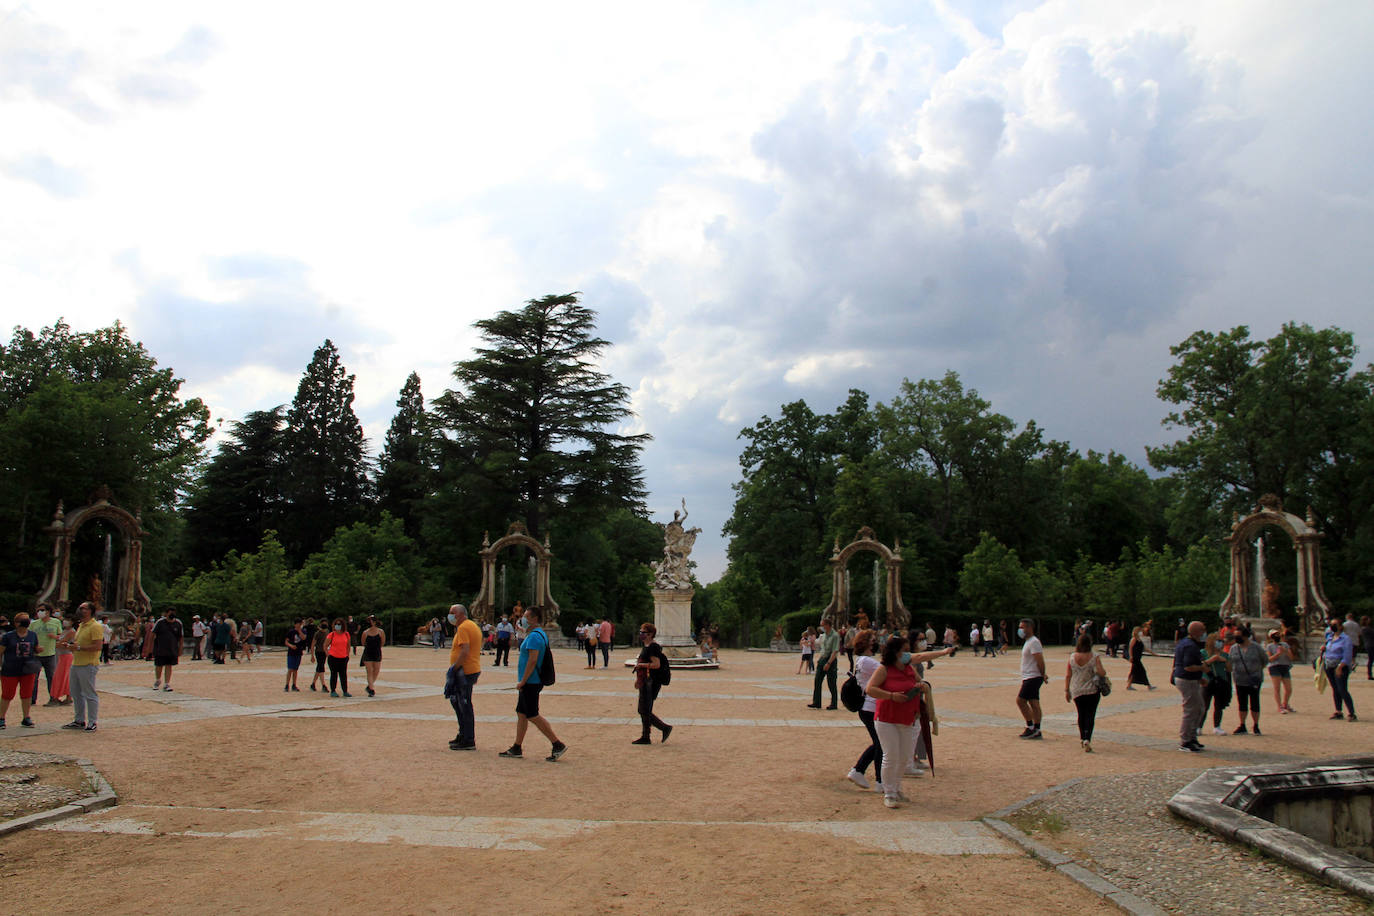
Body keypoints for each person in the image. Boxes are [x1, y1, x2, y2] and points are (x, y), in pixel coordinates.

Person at [863, 634, 947, 809]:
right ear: (895, 652)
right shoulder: (884, 669)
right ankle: (889, 793)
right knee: (890, 755)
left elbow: (919, 682)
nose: (908, 654)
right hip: (886, 717)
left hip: (908, 716)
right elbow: (870, 689)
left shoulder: (909, 668)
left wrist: (921, 687)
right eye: (905, 651)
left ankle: (897, 787)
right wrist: (891, 696)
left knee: (903, 757)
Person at [499, 604, 567, 761]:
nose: (523, 618)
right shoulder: (538, 634)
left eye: (526, 616)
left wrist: (523, 681)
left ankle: (557, 744)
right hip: (531, 680)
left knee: (532, 714)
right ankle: (517, 747)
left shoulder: (535, 636)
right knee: (522, 713)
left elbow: (533, 659)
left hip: (530, 681)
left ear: (534, 619)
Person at [846, 630, 884, 791]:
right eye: (872, 639)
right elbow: (886, 671)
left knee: (879, 743)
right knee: (880, 744)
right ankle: (874, 779)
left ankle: (861, 772)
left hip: (868, 706)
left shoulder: (862, 660)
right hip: (870, 706)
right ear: (866, 642)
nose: (874, 641)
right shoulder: (867, 661)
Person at [61, 602, 103, 731]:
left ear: (90, 611)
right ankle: (79, 720)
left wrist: (78, 647)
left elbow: (97, 646)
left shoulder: (95, 626)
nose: (81, 610)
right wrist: (71, 646)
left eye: (84, 608)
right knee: (76, 693)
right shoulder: (81, 625)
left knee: (89, 693)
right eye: (80, 608)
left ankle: (92, 721)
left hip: (88, 664)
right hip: (77, 663)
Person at [445, 604, 482, 750]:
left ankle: (468, 739)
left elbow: (465, 651)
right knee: (459, 703)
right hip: (470, 669)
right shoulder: (471, 625)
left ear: (459, 614)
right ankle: (463, 734)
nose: (450, 616)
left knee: (463, 704)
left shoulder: (463, 628)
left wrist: (454, 668)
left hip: (465, 671)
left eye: (452, 613)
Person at [1065, 633, 1108, 752]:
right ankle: (1087, 738)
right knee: (1090, 715)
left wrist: (1066, 690)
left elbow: (1068, 675)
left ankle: (1082, 737)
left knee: (1081, 714)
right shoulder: (1094, 656)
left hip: (1077, 689)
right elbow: (1101, 672)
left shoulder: (1072, 657)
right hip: (1091, 689)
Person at [631, 622, 673, 745]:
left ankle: (663, 728)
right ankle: (646, 735)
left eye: (643, 632)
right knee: (644, 709)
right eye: (640, 632)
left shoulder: (653, 647)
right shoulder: (647, 645)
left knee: (644, 709)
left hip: (651, 681)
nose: (641, 634)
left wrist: (641, 665)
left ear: (650, 634)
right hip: (646, 680)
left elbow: (656, 664)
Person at [0, 612, 40, 729]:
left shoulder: (33, 635)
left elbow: (35, 648)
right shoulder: (8, 637)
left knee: (26, 694)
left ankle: (26, 717)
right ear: (16, 623)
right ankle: (1, 717)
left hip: (28, 668)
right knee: (7, 694)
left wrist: (39, 650)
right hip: (10, 669)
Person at [1173, 620, 1207, 752]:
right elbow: (1188, 666)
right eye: (1202, 630)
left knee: (1199, 708)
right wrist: (1202, 669)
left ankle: (1191, 737)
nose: (1204, 632)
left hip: (1189, 679)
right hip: (1187, 680)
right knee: (1191, 710)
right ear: (1196, 631)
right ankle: (1185, 740)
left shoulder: (1186, 643)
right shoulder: (1190, 646)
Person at [1227, 626, 1266, 734]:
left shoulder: (1256, 647)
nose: (1236, 637)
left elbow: (1265, 660)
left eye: (1238, 635)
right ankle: (1242, 724)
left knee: (1254, 702)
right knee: (1242, 703)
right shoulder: (1234, 648)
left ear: (1245, 636)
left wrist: (1256, 670)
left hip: (1254, 679)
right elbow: (1230, 661)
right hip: (1239, 679)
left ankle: (1256, 725)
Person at [1321, 617, 1356, 721]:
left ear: (1340, 626)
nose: (1332, 626)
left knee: (1342, 689)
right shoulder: (1330, 637)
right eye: (1332, 624)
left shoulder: (1346, 639)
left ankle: (1351, 712)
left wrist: (1340, 666)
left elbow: (1347, 655)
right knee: (1335, 689)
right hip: (1329, 665)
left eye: (1335, 624)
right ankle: (1338, 711)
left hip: (1340, 665)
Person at [1016, 618, 1045, 739]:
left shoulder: (1034, 642)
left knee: (1021, 700)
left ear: (1029, 628)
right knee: (1033, 702)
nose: (1020, 630)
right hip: (1030, 676)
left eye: (1022, 627)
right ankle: (1036, 728)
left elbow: (1039, 659)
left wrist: (1043, 674)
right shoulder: (1029, 641)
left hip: (1032, 677)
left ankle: (1031, 726)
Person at [1200, 628, 1233, 736]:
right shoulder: (1203, 652)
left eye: (1221, 641)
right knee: (1204, 705)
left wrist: (1225, 661)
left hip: (1221, 681)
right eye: (1218, 640)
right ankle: (1198, 726)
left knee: (1219, 705)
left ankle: (1217, 726)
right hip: (1208, 681)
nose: (1220, 643)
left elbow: (1229, 669)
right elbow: (1201, 665)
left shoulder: (1225, 654)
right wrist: (1212, 659)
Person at [29, 603, 62, 707]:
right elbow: (29, 636)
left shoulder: (56, 622)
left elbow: (60, 635)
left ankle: (53, 698)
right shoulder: (34, 624)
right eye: (38, 610)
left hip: (50, 653)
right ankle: (32, 699)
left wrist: (55, 637)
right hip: (36, 654)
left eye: (42, 610)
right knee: (34, 678)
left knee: (51, 677)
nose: (40, 612)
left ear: (48, 611)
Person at [807, 618, 840, 710]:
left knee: (831, 683)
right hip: (822, 659)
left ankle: (834, 703)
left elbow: (835, 651)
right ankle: (816, 702)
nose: (822, 627)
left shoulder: (835, 635)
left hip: (831, 660)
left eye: (823, 625)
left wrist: (829, 663)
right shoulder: (824, 635)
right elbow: (821, 646)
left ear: (828, 625)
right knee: (817, 680)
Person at [151, 606, 183, 692]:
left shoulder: (178, 623)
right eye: (170, 612)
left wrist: (180, 648)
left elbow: (181, 637)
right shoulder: (160, 622)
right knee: (159, 665)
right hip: (160, 648)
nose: (172, 614)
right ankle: (157, 680)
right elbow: (152, 634)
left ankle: (167, 683)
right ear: (166, 613)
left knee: (169, 666)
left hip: (172, 649)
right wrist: (150, 648)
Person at [1265, 628, 1294, 714]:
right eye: (1275, 635)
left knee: (1289, 689)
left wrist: (1285, 651)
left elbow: (1291, 657)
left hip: (1285, 666)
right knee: (1277, 688)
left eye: (1278, 634)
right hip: (1275, 667)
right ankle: (1279, 706)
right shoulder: (1269, 646)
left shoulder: (1285, 645)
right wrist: (1278, 654)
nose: (1277, 636)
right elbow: (1269, 659)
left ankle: (1285, 703)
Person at [325, 618, 352, 698]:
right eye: (336, 624)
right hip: (333, 657)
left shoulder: (346, 634)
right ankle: (333, 690)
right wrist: (328, 655)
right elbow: (325, 645)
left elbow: (348, 646)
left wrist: (347, 655)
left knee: (343, 675)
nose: (337, 626)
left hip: (343, 657)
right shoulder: (331, 634)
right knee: (334, 674)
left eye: (339, 624)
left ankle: (345, 691)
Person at [51, 615, 74, 706]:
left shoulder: (71, 632)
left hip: (66, 655)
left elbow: (60, 643)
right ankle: (67, 697)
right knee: (63, 676)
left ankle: (61, 697)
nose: (65, 621)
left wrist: (54, 642)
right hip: (61, 655)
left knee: (62, 676)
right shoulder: (64, 631)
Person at [360, 616, 385, 697]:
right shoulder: (365, 632)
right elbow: (363, 643)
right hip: (368, 652)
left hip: (377, 652)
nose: (372, 622)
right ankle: (371, 688)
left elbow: (382, 642)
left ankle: (370, 685)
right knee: (369, 670)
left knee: (376, 670)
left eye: (373, 621)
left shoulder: (381, 632)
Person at [1125, 626, 1156, 690]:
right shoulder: (1134, 639)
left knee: (1134, 672)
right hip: (1135, 658)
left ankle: (1129, 685)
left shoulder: (1139, 639)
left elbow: (1144, 648)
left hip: (1138, 658)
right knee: (1140, 671)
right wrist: (1131, 656)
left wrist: (1152, 653)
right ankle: (1148, 686)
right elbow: (1130, 648)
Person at [283, 619, 306, 692]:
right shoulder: (291, 632)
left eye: (300, 624)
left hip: (298, 652)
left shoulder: (303, 631)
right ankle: (287, 685)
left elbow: (303, 638)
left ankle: (294, 684)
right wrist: (291, 646)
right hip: (291, 652)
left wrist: (299, 631)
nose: (299, 625)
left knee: (295, 669)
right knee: (290, 669)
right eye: (298, 624)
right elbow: (286, 642)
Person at [309, 622, 329, 691]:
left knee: (319, 668)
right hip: (318, 652)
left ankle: (313, 684)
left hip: (324, 652)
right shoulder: (317, 634)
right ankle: (323, 685)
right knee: (321, 668)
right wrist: (312, 656)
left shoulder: (327, 633)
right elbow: (312, 644)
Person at [1362, 615, 1374, 681]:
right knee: (1371, 660)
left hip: (1368, 645)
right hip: (1371, 645)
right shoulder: (1367, 629)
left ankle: (1370, 674)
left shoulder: (1364, 628)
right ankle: (1369, 674)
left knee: (1371, 660)